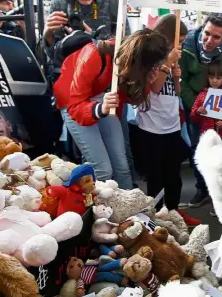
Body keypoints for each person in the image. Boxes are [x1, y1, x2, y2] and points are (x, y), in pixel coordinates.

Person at [53, 29, 169, 189]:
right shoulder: (93, 55)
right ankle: (98, 210)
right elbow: (75, 106)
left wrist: (146, 83)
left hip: (102, 99)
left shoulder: (130, 62)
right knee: (102, 169)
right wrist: (100, 108)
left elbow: (131, 99)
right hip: (73, 101)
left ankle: (129, 206)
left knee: (121, 165)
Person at [136, 14, 201, 226]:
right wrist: (167, 64)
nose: (181, 45)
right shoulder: (151, 57)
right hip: (152, 128)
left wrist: (175, 76)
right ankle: (154, 216)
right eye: (179, 41)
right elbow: (154, 86)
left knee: (174, 176)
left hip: (171, 125)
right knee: (156, 178)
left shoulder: (172, 60)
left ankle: (173, 211)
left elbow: (176, 91)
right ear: (166, 38)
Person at [180, 13, 222, 208]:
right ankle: (202, 189)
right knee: (198, 148)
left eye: (216, 37)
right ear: (202, 29)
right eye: (207, 34)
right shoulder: (187, 45)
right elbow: (182, 81)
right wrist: (197, 105)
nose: (209, 40)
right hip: (198, 103)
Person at [190, 62, 222, 216]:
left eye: (218, 77)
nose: (215, 80)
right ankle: (213, 200)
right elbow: (192, 117)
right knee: (211, 173)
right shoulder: (202, 96)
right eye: (212, 77)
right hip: (207, 141)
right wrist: (198, 112)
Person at [43, 0, 130, 48]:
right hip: (68, 73)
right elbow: (53, 57)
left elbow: (127, 47)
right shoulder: (59, 4)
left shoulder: (113, 4)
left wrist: (91, 40)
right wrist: (47, 36)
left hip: (103, 75)